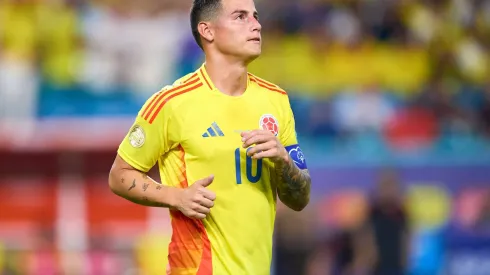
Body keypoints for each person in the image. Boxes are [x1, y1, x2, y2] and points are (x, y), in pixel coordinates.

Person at [108, 0, 312, 274]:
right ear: (208, 31)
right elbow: (120, 175)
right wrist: (176, 197)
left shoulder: (276, 100)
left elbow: (300, 198)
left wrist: (283, 160)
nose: (256, 24)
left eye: (255, 16)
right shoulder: (172, 103)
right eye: (240, 17)